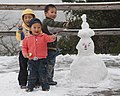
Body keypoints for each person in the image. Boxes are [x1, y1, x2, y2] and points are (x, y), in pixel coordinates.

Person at [22, 18, 57, 92]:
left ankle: (45, 86)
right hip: (31, 59)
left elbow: (50, 39)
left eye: (38, 27)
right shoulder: (27, 38)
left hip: (42, 59)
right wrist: (25, 54)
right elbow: (24, 47)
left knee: (43, 73)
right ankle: (30, 86)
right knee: (32, 74)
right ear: (30, 28)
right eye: (34, 27)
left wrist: (53, 37)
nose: (36, 29)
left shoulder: (43, 36)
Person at [42, 4, 69, 85]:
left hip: (48, 47)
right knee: (50, 64)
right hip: (49, 47)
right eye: (52, 12)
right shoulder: (48, 22)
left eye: (55, 12)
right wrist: (65, 25)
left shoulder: (47, 21)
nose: (54, 14)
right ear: (46, 13)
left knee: (46, 64)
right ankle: (48, 79)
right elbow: (55, 25)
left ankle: (44, 78)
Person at [16, 8, 36, 89]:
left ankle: (35, 81)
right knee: (23, 67)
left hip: (34, 50)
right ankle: (22, 82)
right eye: (26, 17)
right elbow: (19, 38)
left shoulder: (36, 27)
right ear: (23, 19)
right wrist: (20, 30)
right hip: (23, 51)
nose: (28, 19)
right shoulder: (22, 28)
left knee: (34, 67)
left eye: (30, 17)